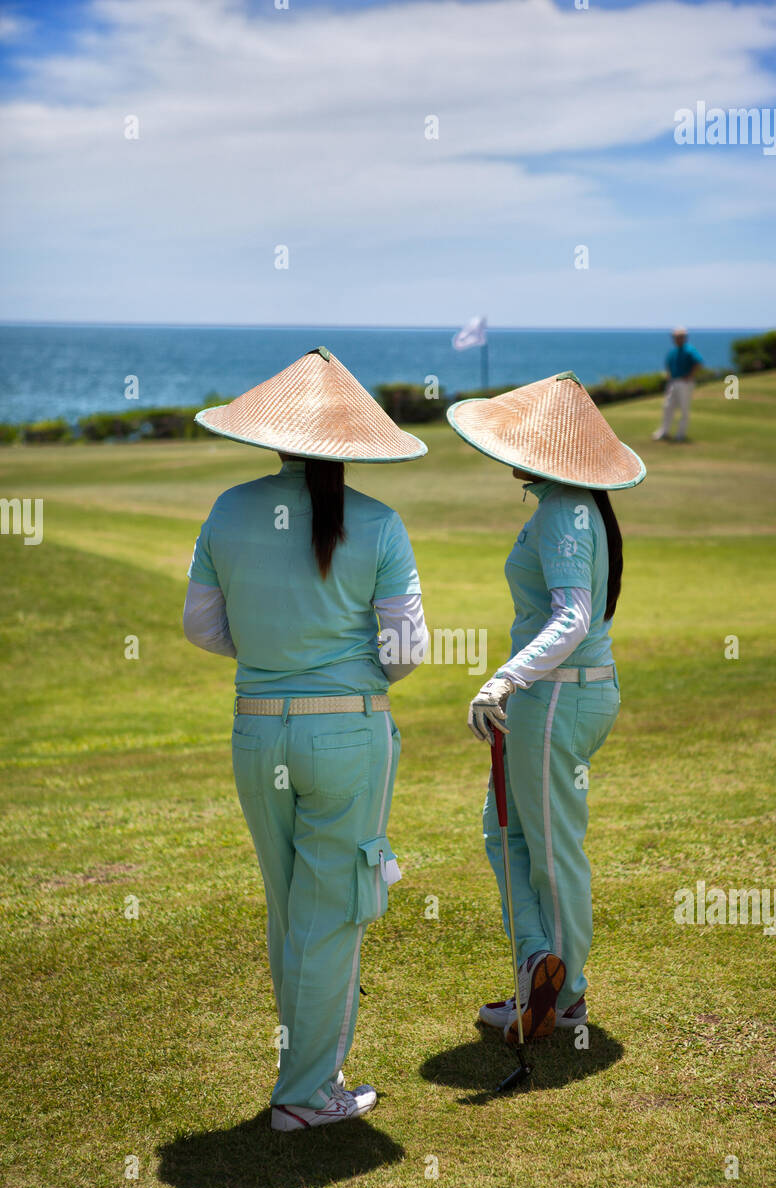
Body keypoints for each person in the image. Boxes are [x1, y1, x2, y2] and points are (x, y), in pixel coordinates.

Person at [184, 347, 428, 1130]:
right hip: (347, 737)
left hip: (256, 732)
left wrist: (270, 657)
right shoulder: (382, 524)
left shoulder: (228, 508)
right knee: (333, 912)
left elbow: (203, 626)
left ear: (275, 437)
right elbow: (403, 656)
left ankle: (311, 1072)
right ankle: (305, 1093)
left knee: (290, 909)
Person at [446, 371, 645, 1043]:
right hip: (552, 695)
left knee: (550, 847)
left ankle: (563, 997)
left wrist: (504, 679)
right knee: (505, 834)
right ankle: (541, 972)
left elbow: (574, 618)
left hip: (559, 694)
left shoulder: (565, 508)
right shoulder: (563, 502)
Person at [653, 325, 702, 442]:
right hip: (673, 382)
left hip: (685, 383)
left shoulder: (689, 350)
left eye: (679, 337)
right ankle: (664, 431)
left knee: (684, 409)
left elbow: (698, 363)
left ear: (684, 338)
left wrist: (690, 376)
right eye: (675, 337)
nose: (676, 339)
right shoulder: (673, 351)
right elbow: (668, 365)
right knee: (667, 406)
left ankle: (680, 434)